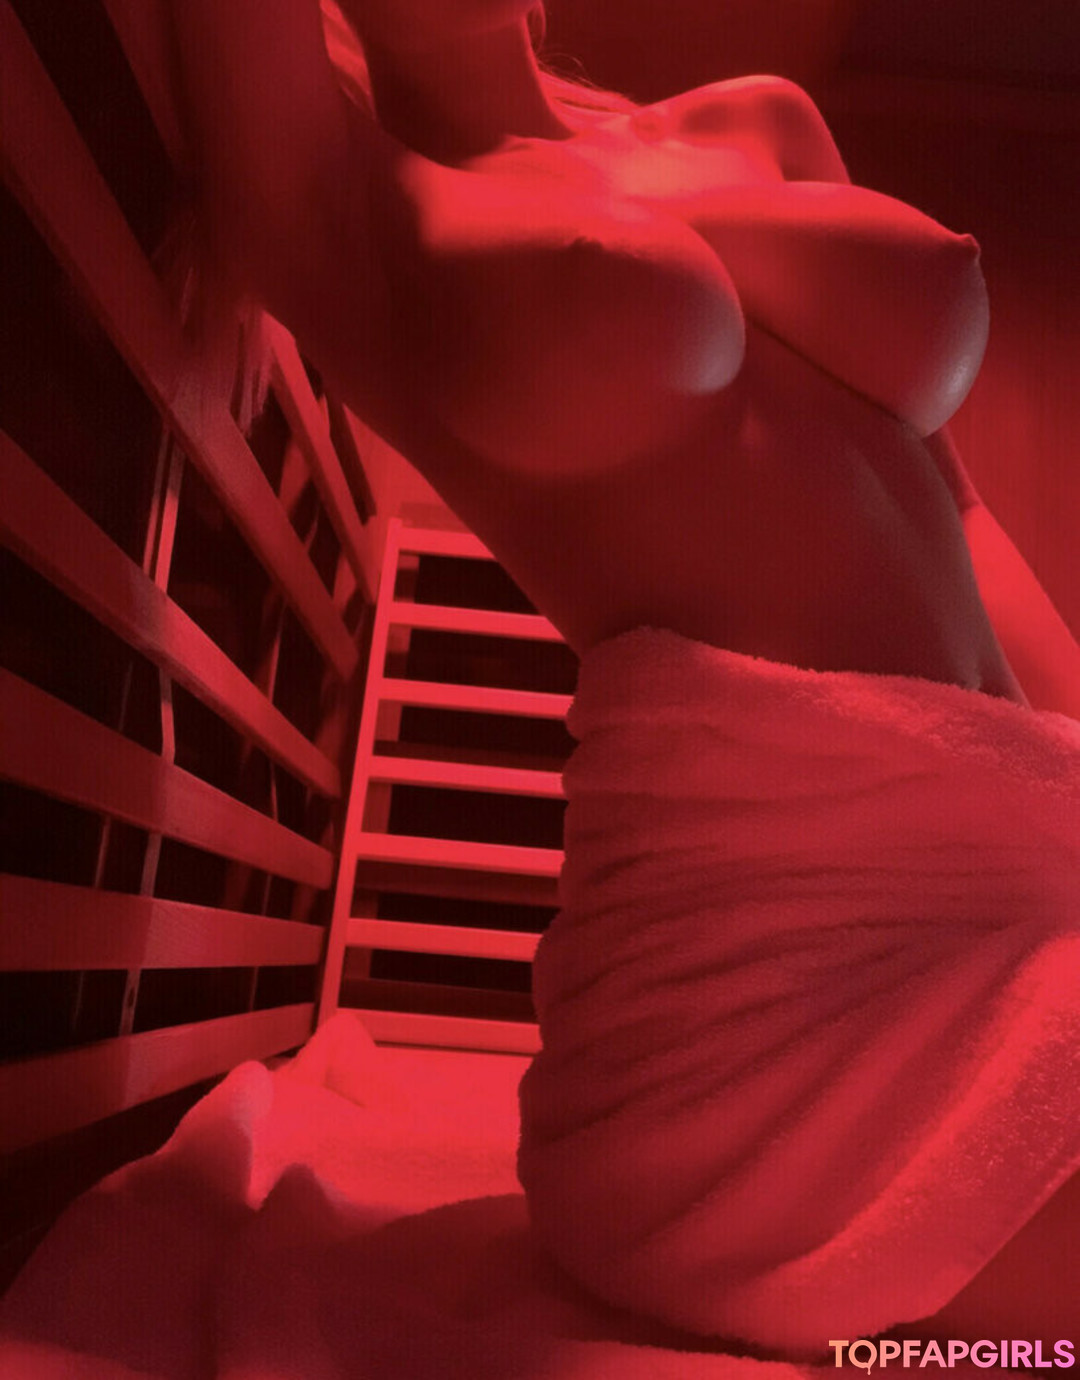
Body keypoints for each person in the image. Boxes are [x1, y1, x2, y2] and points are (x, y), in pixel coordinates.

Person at [170, 0, 1080, 1357]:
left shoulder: (758, 118)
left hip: (1008, 886)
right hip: (773, 1037)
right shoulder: (360, 214)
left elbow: (950, 502)